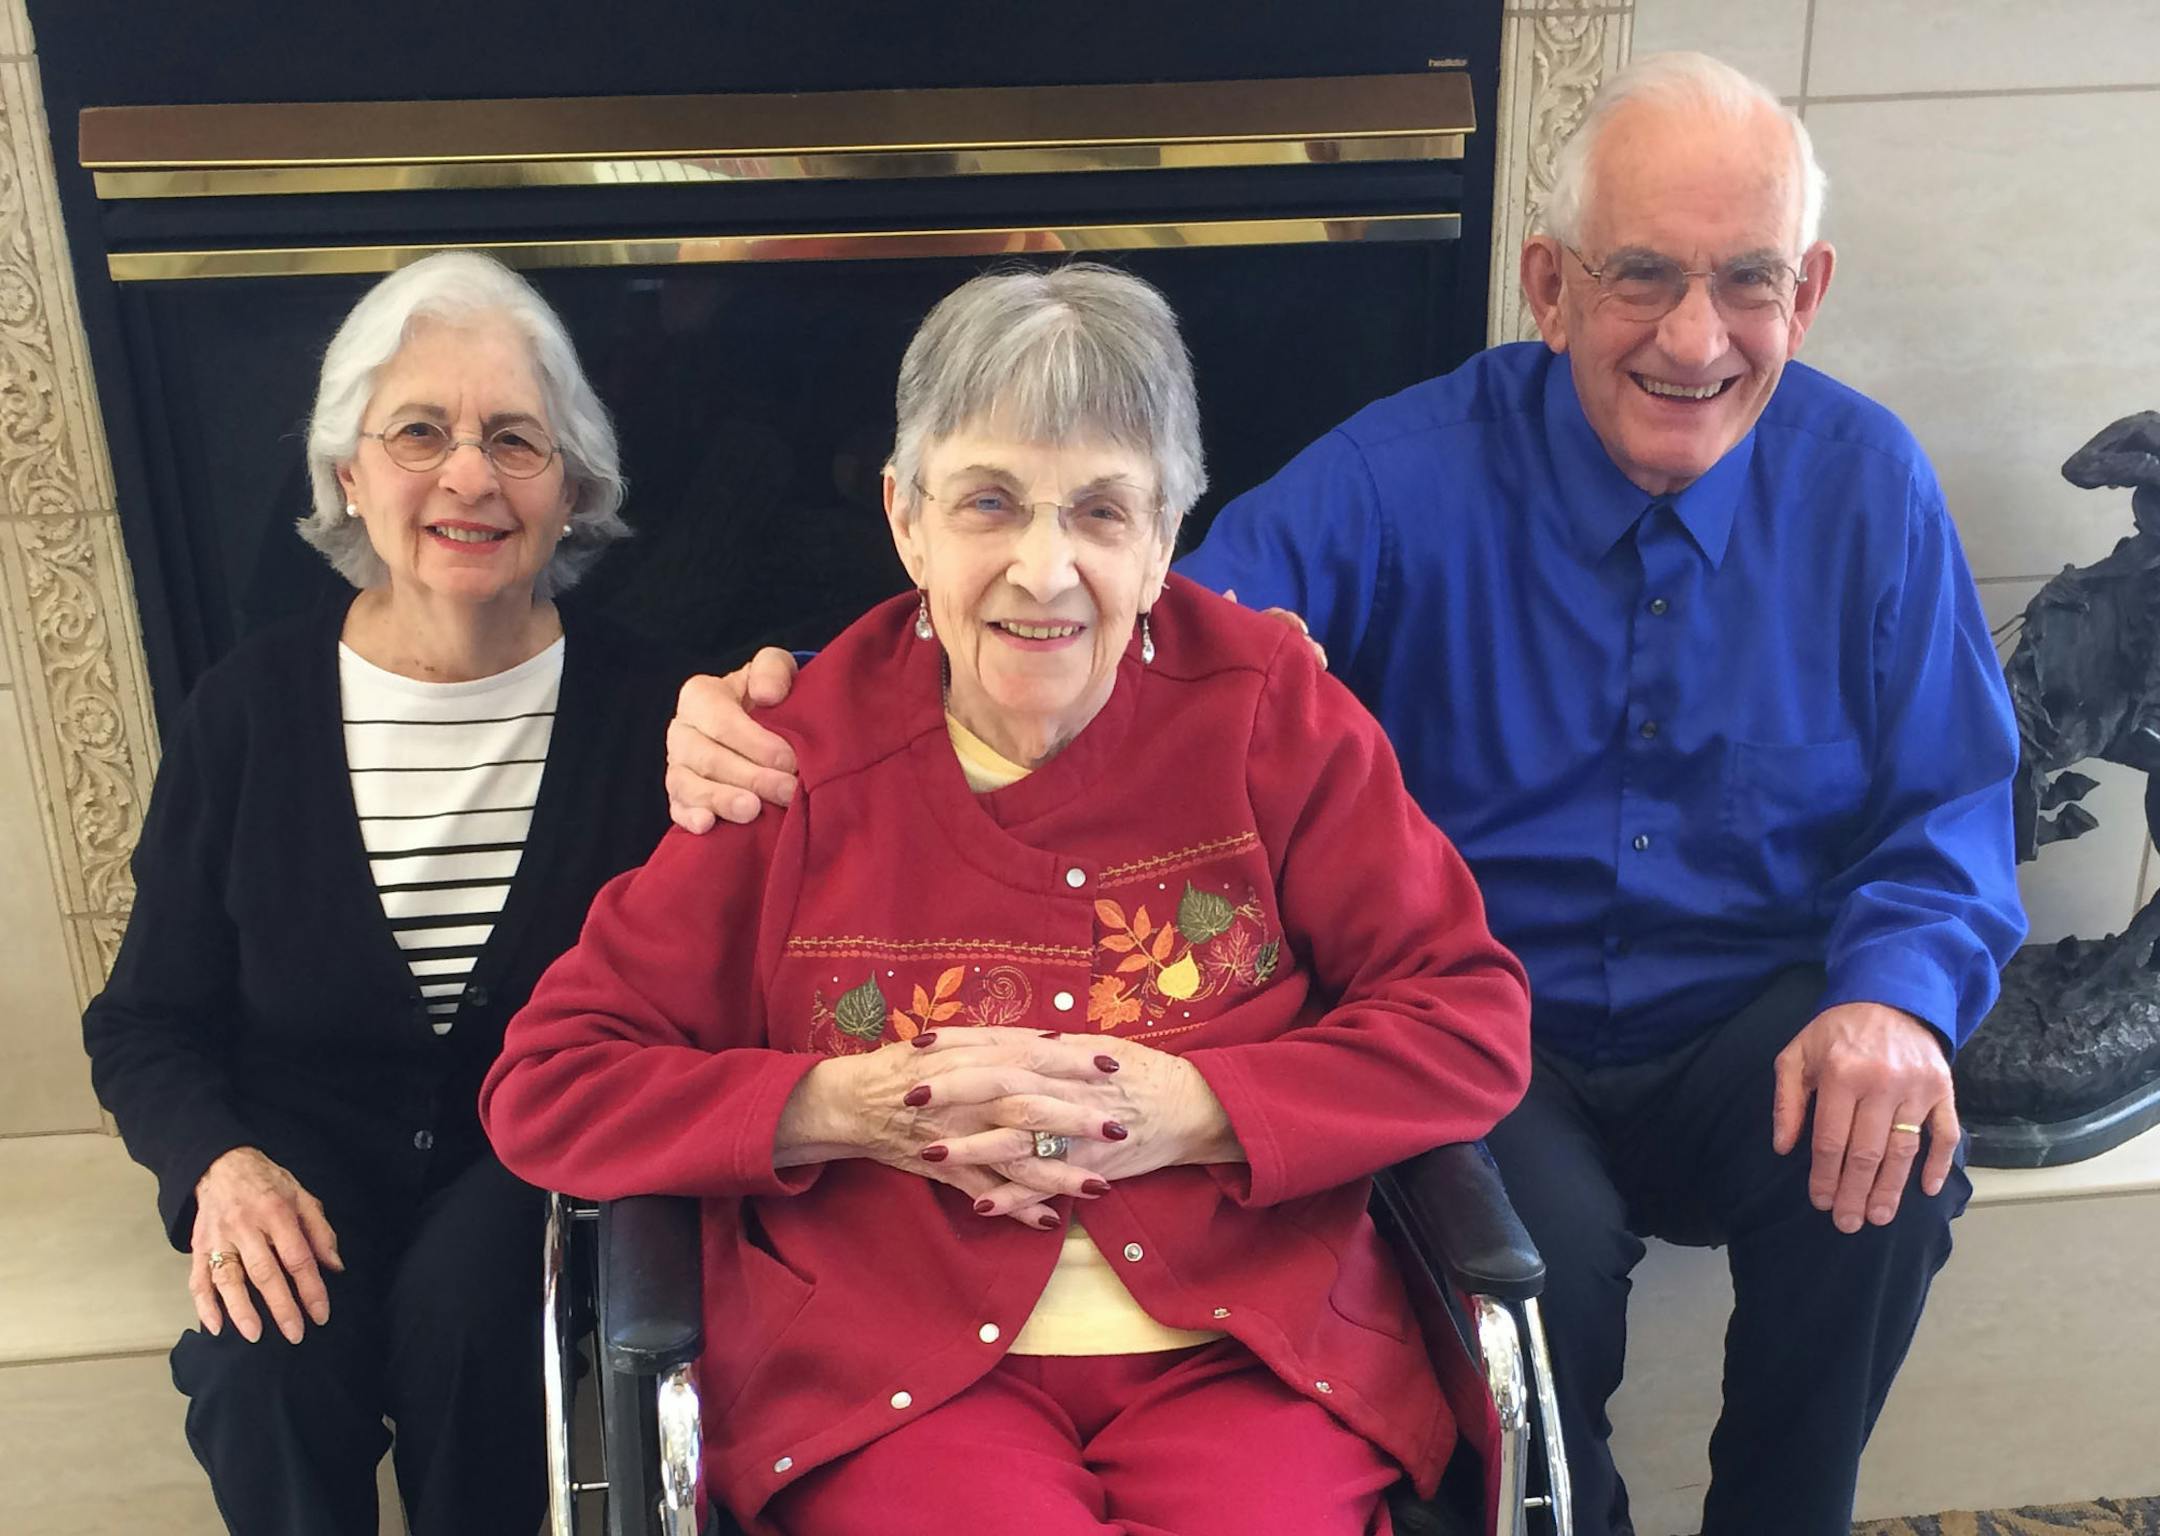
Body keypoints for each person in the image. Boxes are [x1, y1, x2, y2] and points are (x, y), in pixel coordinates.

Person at [658, 54, 2028, 1536]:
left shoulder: (1871, 487)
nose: (1694, 338)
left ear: (1806, 292)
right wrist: (808, 692)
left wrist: (1895, 996)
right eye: (1641, 277)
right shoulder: (1401, 472)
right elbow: (1115, 616)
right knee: (1534, 1245)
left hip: (1755, 1018)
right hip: (1504, 1040)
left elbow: (1953, 804)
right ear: (1549, 284)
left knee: (1888, 1168)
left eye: (1746, 282)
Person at [480, 264, 1532, 1536]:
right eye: (990, 502)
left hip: (1251, 1350)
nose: (1045, 571)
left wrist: (1198, 1107)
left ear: (1165, 537)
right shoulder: (788, 760)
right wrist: (836, 1108)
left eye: (1100, 510)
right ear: (906, 521)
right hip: (895, 1379)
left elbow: (1467, 1018)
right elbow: (551, 1078)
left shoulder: (1271, 716)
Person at [81, 251, 684, 1536]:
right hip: (295, 1153)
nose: (468, 475)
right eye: (421, 431)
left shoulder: (651, 716)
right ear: (351, 473)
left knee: (481, 1338)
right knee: (260, 1367)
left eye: (514, 440)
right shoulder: (245, 710)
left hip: (530, 1150)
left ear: (571, 487)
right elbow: (143, 1022)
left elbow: (688, 1002)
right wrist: (219, 1170)